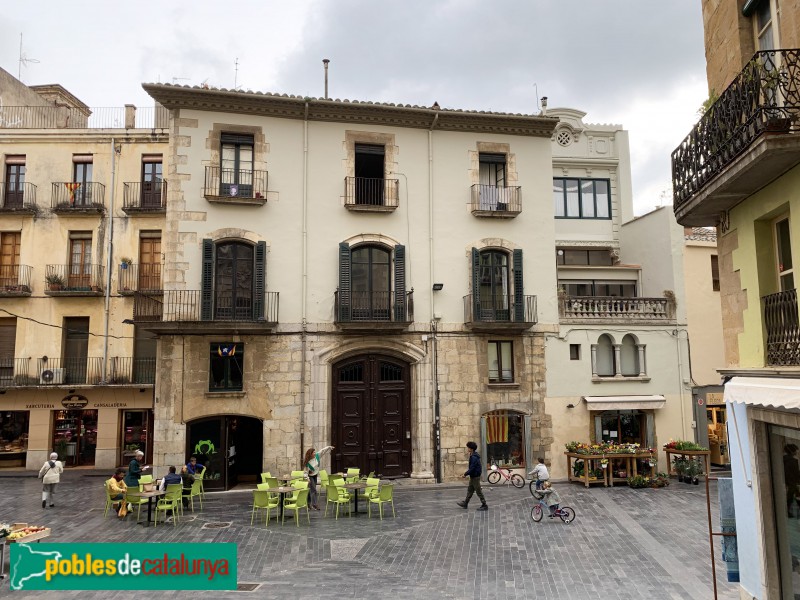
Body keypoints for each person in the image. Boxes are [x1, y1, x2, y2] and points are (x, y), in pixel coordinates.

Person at [457, 441, 488, 511]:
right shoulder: (473, 455)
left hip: (475, 476)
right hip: (473, 476)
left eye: (468, 447)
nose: (467, 449)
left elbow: (472, 468)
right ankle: (465, 503)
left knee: (478, 491)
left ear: (471, 449)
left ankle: (484, 504)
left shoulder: (474, 457)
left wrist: (465, 474)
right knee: (470, 490)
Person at [304, 445, 333, 510]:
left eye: (315, 452)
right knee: (314, 490)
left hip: (315, 475)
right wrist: (307, 479)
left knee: (311, 490)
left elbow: (322, 451)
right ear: (310, 454)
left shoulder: (317, 456)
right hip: (310, 476)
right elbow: (305, 472)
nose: (315, 453)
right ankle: (314, 505)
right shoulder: (307, 462)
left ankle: (308, 503)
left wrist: (329, 447)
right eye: (313, 452)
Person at [784, 444, 800, 517]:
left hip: (788, 482)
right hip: (792, 482)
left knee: (792, 497)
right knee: (792, 497)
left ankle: (788, 512)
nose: (797, 452)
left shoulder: (783, 460)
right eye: (796, 450)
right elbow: (795, 473)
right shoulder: (793, 461)